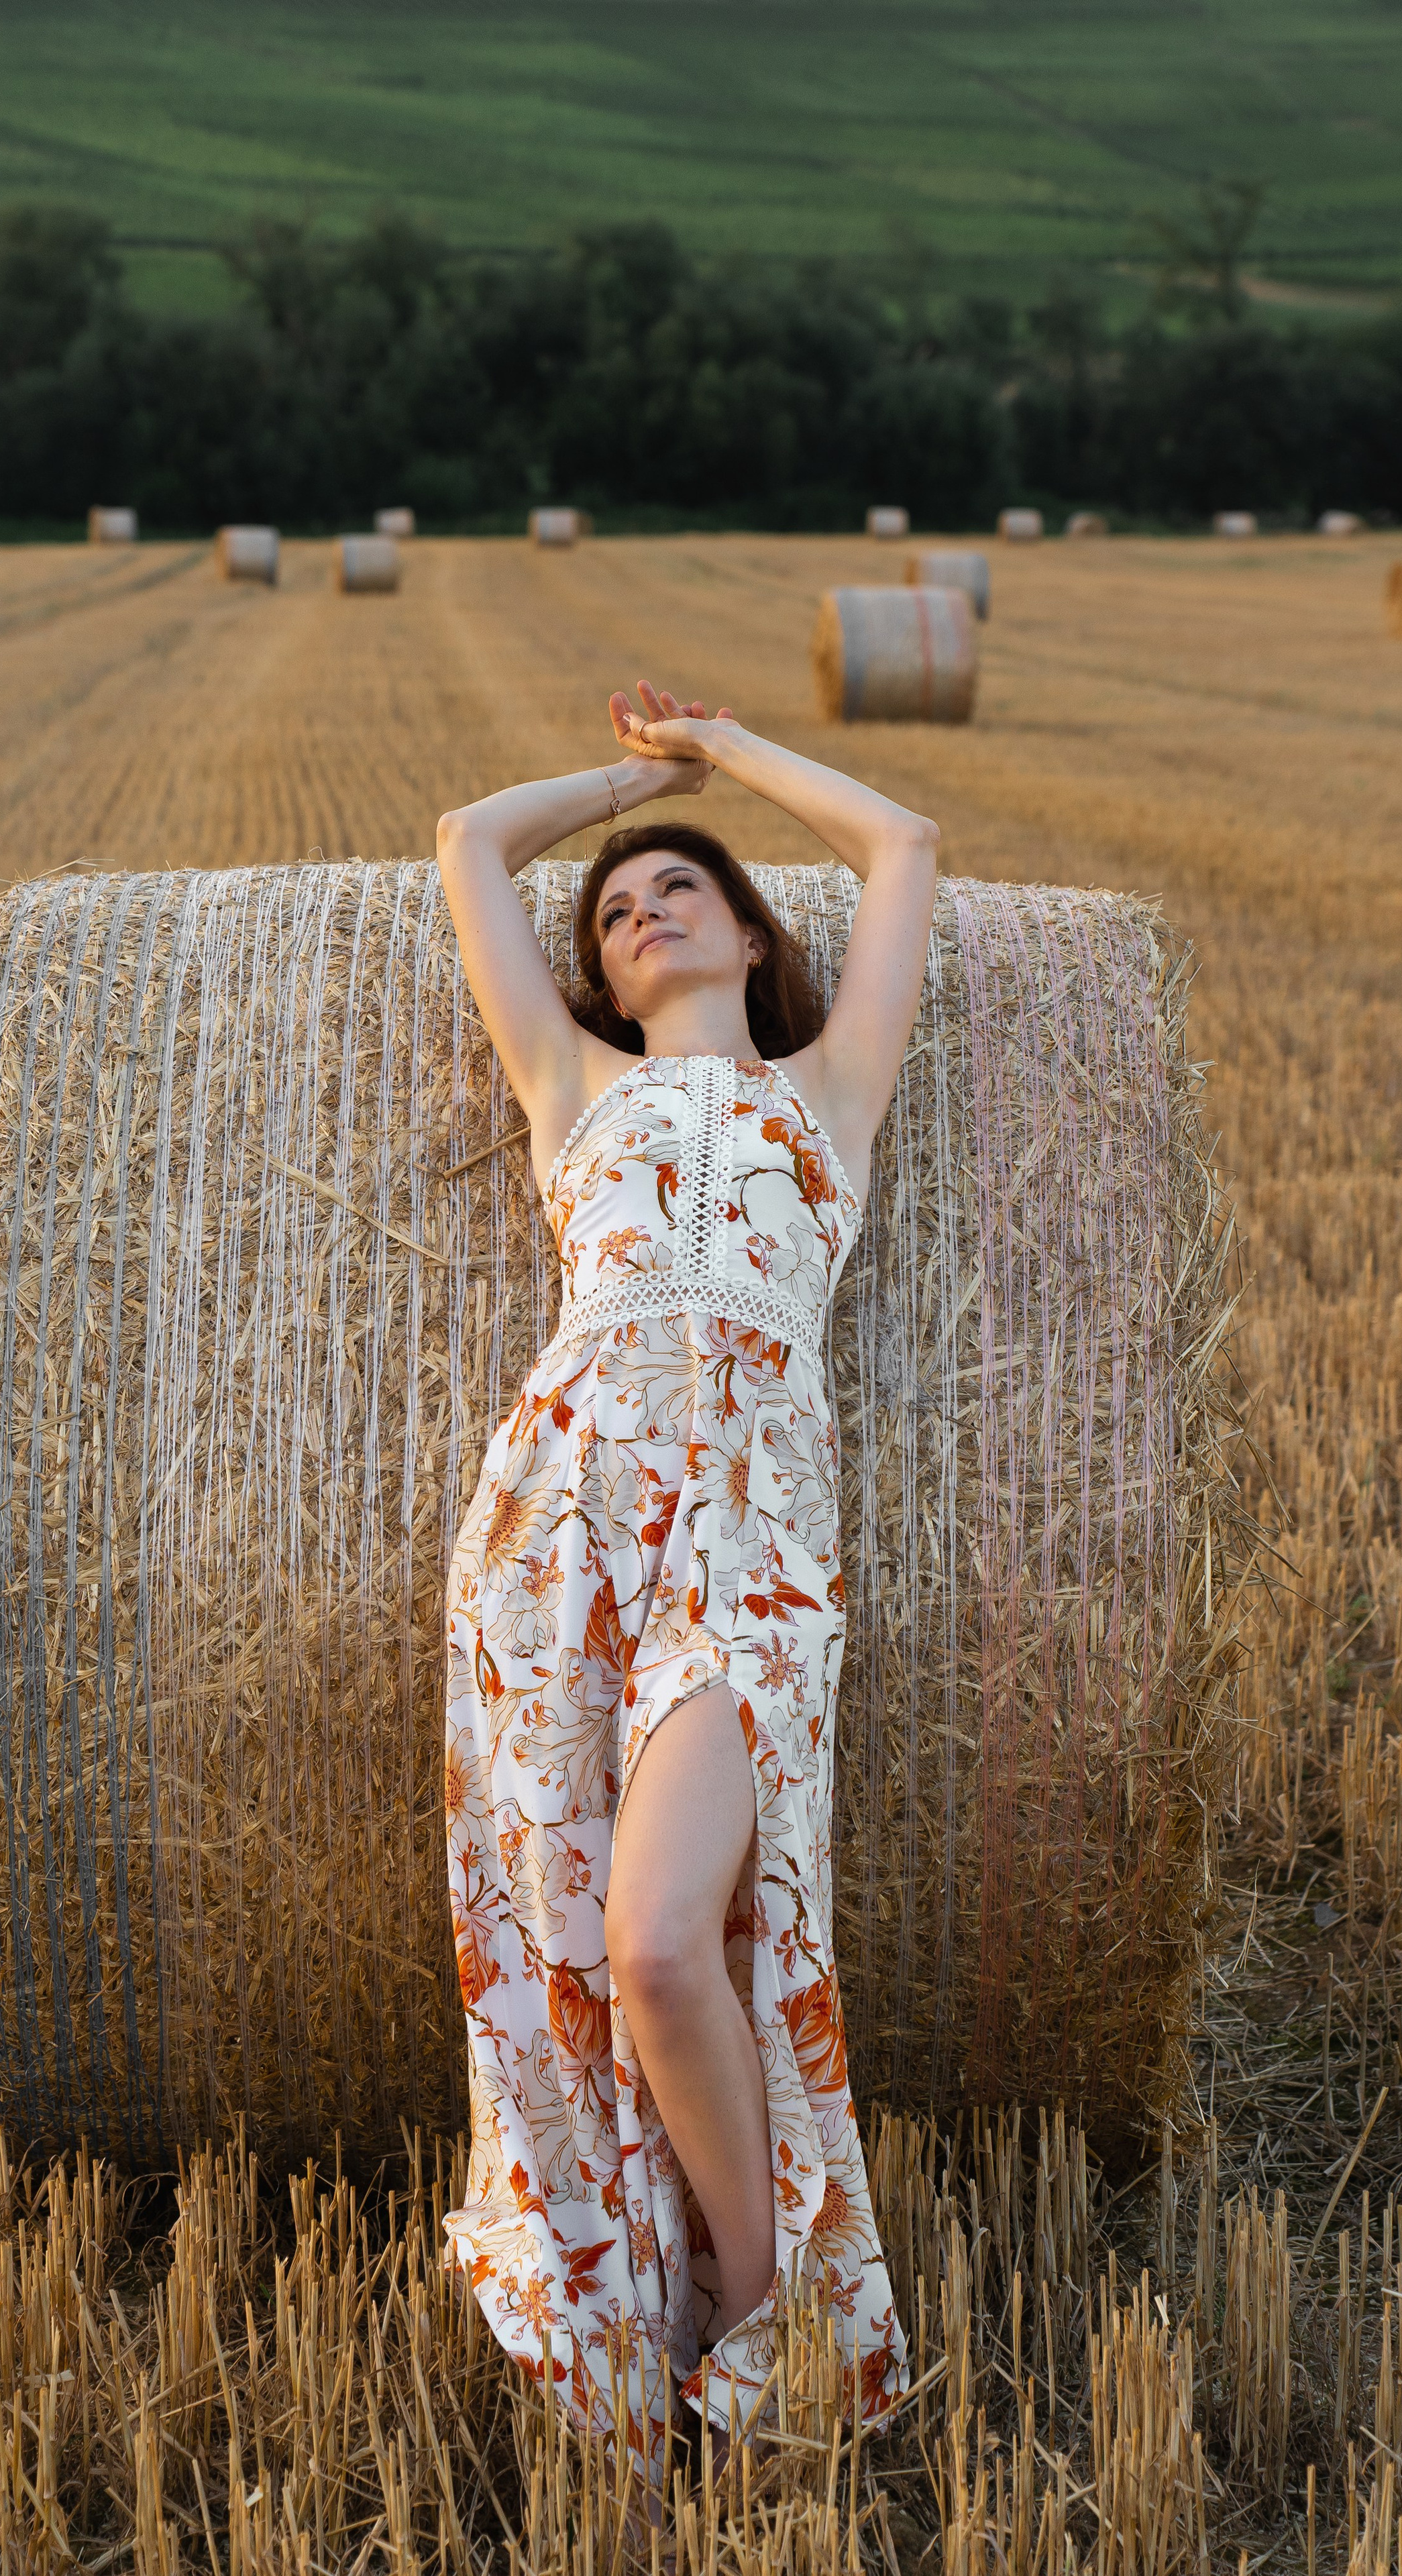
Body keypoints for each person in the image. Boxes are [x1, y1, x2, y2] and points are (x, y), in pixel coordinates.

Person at [437, 681, 938, 2481]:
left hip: (751, 1544)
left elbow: (905, 847)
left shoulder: (831, 1093)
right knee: (582, 1937)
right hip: (562, 1533)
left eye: (674, 888)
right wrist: (625, 783)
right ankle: (726, 2332)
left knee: (665, 1935)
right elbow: (471, 846)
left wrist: (720, 755)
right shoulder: (577, 1087)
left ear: (747, 928)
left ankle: (758, 2313)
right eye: (614, 911)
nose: (635, 911)